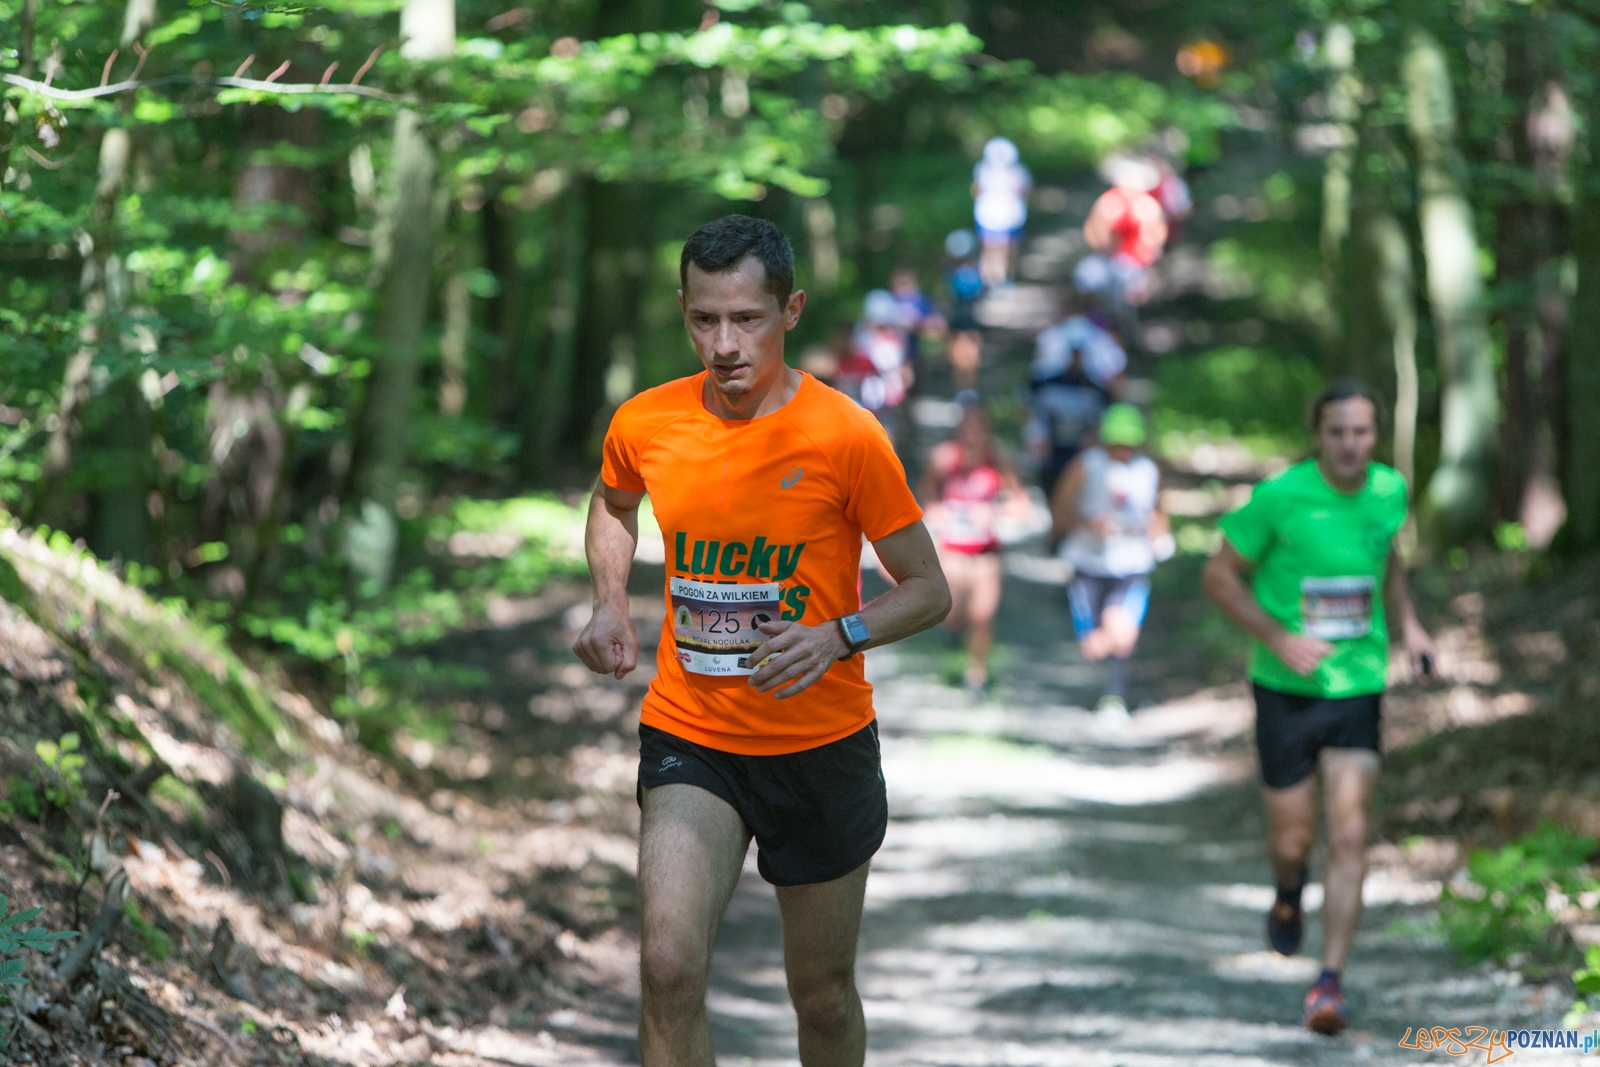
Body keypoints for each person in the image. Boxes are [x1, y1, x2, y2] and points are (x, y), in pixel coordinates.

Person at [572, 214, 952, 1067]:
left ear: (792, 310)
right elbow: (614, 500)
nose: (724, 344)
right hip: (693, 735)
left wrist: (838, 635)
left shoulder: (846, 435)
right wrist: (608, 602)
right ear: (682, 309)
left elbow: (930, 590)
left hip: (820, 744)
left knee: (821, 995)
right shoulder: (647, 421)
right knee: (668, 969)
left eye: (746, 319)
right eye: (704, 319)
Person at [1201, 379, 1437, 1037]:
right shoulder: (1280, 496)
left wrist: (1411, 627)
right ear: (1318, 435)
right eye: (1338, 432)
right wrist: (1278, 637)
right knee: (1292, 840)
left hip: (1358, 684)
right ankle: (1287, 888)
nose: (1350, 444)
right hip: (1284, 689)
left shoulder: (1389, 490)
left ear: (1376, 435)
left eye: (1362, 432)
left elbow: (1388, 562)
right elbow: (1218, 575)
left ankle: (1329, 979)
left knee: (1352, 832)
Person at [1050, 403, 1171, 725]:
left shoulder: (1148, 471)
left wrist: (1160, 540)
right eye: (1117, 443)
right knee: (1094, 644)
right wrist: (1086, 525)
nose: (1122, 451)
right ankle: (1103, 692)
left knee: (1123, 633)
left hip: (1131, 564)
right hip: (1088, 563)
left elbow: (1158, 511)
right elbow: (1060, 506)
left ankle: (1114, 699)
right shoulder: (1086, 465)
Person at [918, 393, 1029, 702]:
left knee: (982, 614)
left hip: (985, 553)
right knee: (950, 612)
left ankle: (976, 675)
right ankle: (953, 639)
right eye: (967, 427)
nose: (973, 434)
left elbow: (1021, 504)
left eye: (979, 427)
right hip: (952, 549)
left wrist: (996, 512)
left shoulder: (998, 460)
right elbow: (926, 492)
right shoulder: (944, 459)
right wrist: (936, 510)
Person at [1025, 295, 1127, 498]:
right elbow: (1028, 403)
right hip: (1052, 448)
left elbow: (1110, 405)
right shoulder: (1047, 381)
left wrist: (1098, 440)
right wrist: (1035, 434)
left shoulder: (1095, 386)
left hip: (1083, 448)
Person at [841, 288, 914, 445]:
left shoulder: (895, 341)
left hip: (886, 401)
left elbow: (902, 371)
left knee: (885, 436)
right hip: (862, 398)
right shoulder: (861, 339)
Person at [972, 137, 1031, 286]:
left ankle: (999, 279)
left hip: (1007, 216)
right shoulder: (983, 169)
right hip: (992, 215)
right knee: (996, 248)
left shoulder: (1017, 171)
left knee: (1001, 248)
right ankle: (993, 280)